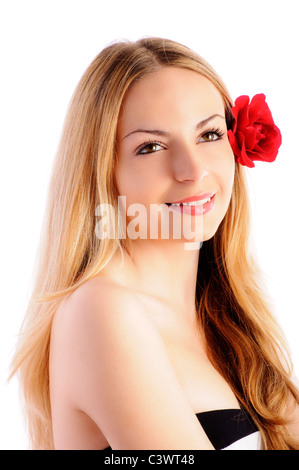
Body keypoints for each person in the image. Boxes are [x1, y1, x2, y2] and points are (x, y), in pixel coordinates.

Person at [10, 37, 299, 450]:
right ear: (103, 172)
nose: (192, 169)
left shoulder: (229, 318)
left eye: (209, 134)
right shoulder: (101, 310)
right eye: (151, 146)